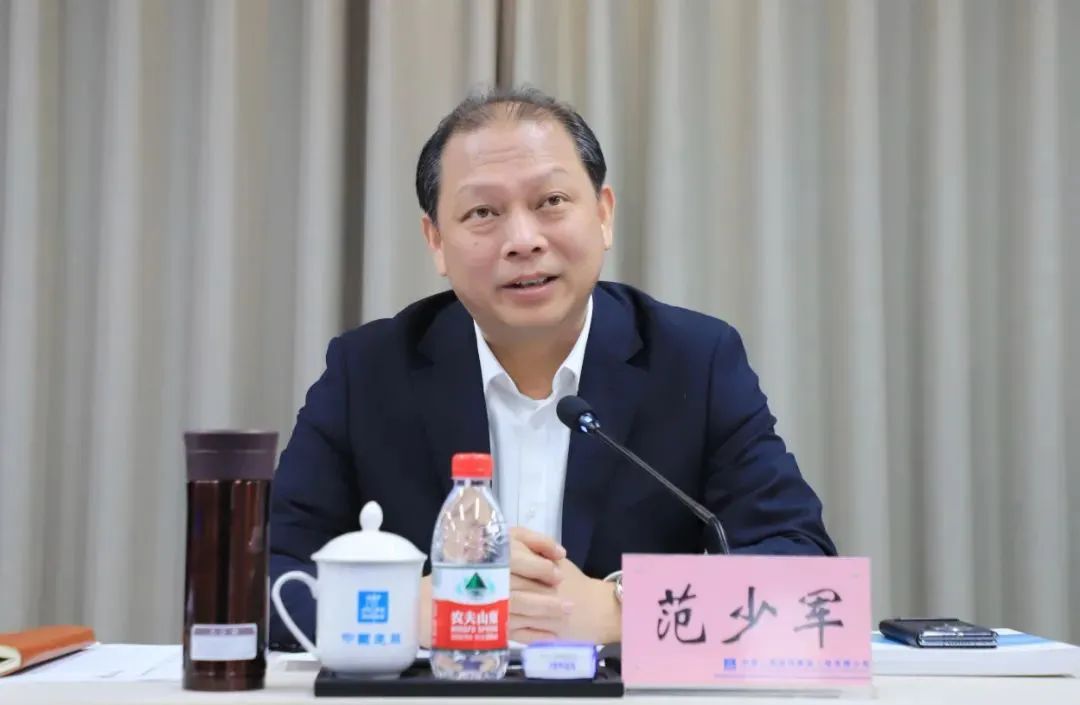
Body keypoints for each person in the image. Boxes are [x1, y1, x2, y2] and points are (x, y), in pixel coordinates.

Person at [269, 87, 835, 649]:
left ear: (603, 215)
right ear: (436, 241)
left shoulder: (694, 362)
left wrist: (623, 611)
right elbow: (264, 579)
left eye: (551, 201)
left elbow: (806, 575)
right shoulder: (368, 372)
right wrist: (405, 609)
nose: (523, 240)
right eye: (483, 212)